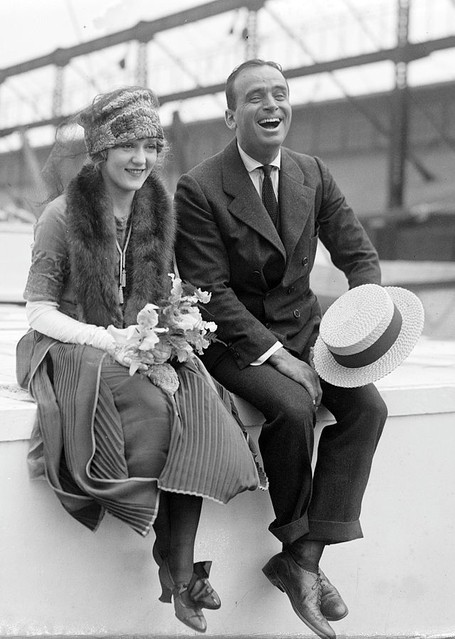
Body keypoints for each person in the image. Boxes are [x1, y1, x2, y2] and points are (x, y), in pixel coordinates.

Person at [16, 86, 265, 635]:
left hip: (140, 336)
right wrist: (109, 341)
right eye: (127, 145)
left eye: (151, 145)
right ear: (101, 152)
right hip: (71, 344)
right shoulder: (62, 216)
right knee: (155, 410)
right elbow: (37, 312)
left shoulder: (159, 208)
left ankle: (176, 567)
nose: (141, 159)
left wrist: (175, 321)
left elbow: (159, 286)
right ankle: (179, 570)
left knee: (198, 401)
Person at [174, 59, 388, 639]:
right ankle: (297, 550)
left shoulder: (311, 173)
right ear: (230, 115)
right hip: (235, 343)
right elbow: (209, 293)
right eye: (255, 98)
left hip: (308, 334)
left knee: (368, 408)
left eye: (281, 94)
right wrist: (282, 358)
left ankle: (305, 557)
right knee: (291, 408)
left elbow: (358, 256)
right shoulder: (198, 188)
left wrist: (362, 326)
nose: (272, 105)